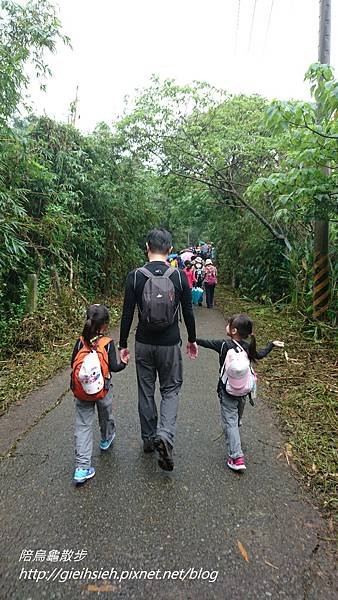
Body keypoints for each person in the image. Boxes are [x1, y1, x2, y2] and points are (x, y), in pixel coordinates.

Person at [119, 228, 198, 472]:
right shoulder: (179, 276)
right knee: (171, 390)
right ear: (170, 250)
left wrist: (122, 344)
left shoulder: (135, 276)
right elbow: (188, 312)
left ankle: (148, 439)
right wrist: (192, 339)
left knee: (145, 391)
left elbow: (126, 314)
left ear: (147, 247)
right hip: (170, 342)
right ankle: (165, 434)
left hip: (143, 342)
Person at [196, 314, 284, 472]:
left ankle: (236, 457)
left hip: (227, 390)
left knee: (230, 421)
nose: (227, 327)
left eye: (229, 325)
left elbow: (205, 343)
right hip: (244, 390)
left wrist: (192, 339)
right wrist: (271, 344)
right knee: (236, 416)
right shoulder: (248, 346)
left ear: (234, 330)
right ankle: (235, 426)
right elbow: (260, 355)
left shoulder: (223, 345)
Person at [71, 304, 128, 484]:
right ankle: (106, 439)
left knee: (83, 425)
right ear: (104, 326)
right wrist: (124, 361)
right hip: (103, 391)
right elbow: (114, 367)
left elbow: (72, 363)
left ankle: (82, 468)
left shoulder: (80, 341)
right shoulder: (107, 343)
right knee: (106, 414)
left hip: (81, 392)